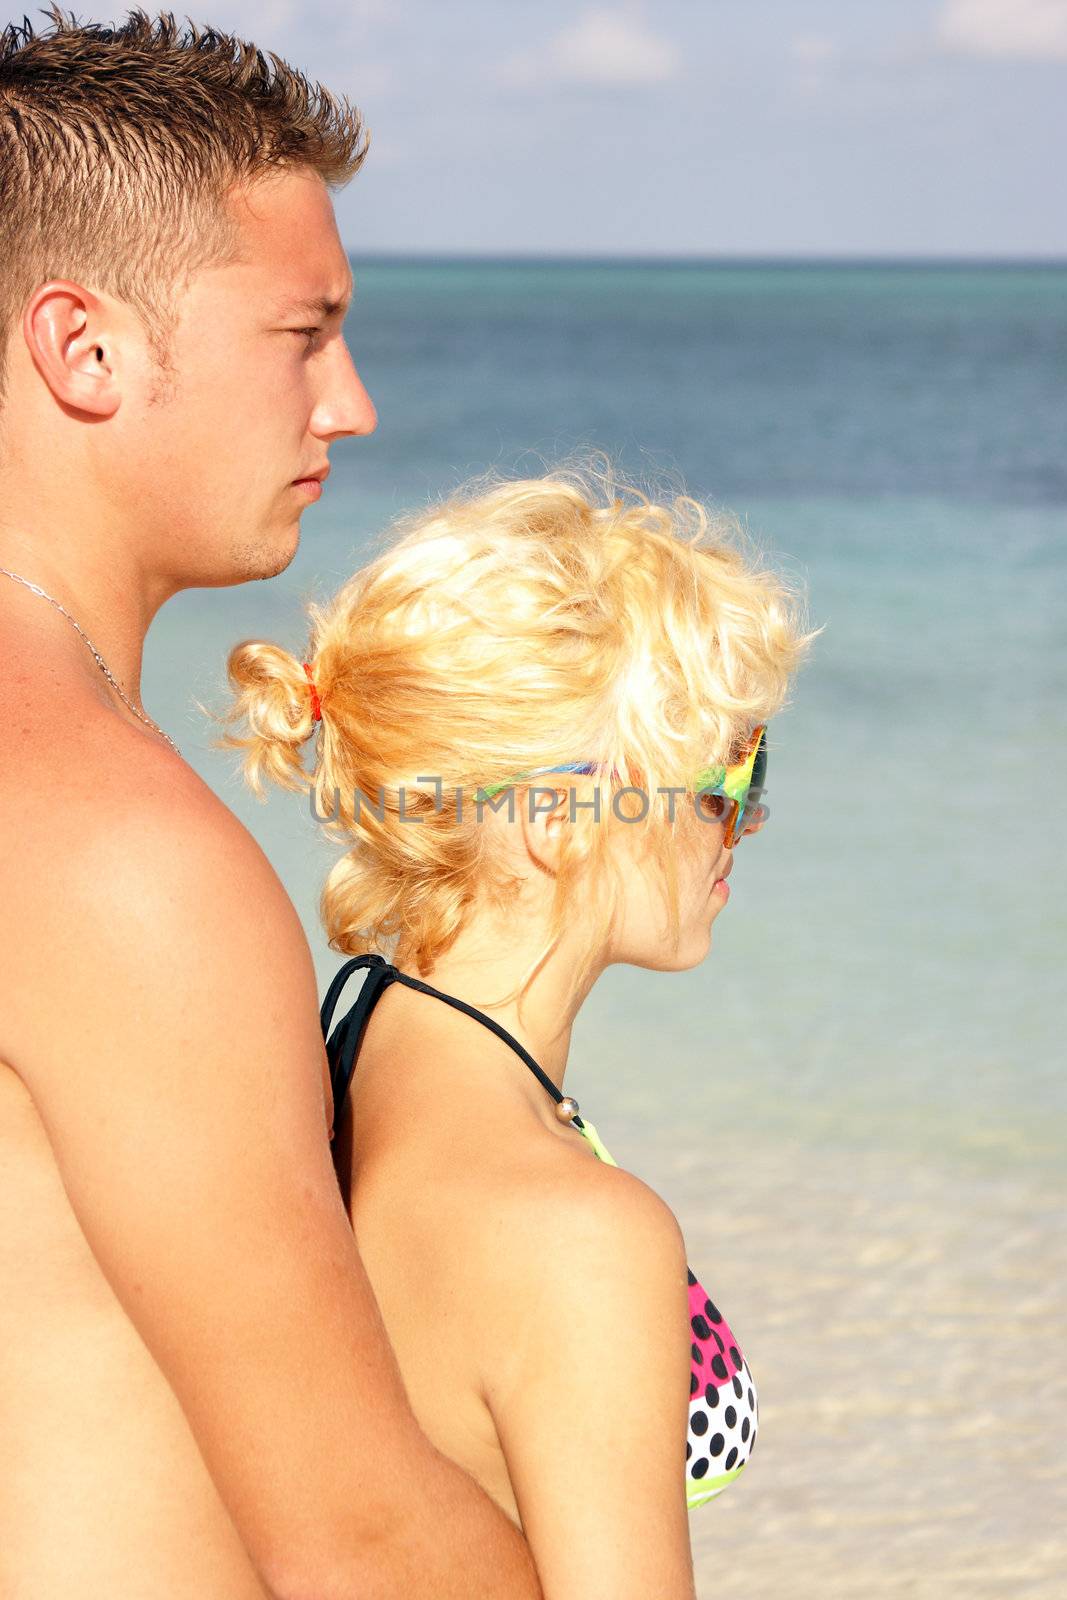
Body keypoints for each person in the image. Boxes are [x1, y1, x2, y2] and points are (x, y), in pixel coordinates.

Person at [0, 9, 542, 1597]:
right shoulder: (111, 846)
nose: (351, 405)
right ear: (81, 347)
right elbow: (358, 1539)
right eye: (302, 335)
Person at [221, 469, 819, 1599]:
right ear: (552, 815)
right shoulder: (580, 1231)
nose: (745, 819)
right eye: (722, 778)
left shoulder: (355, 1038)